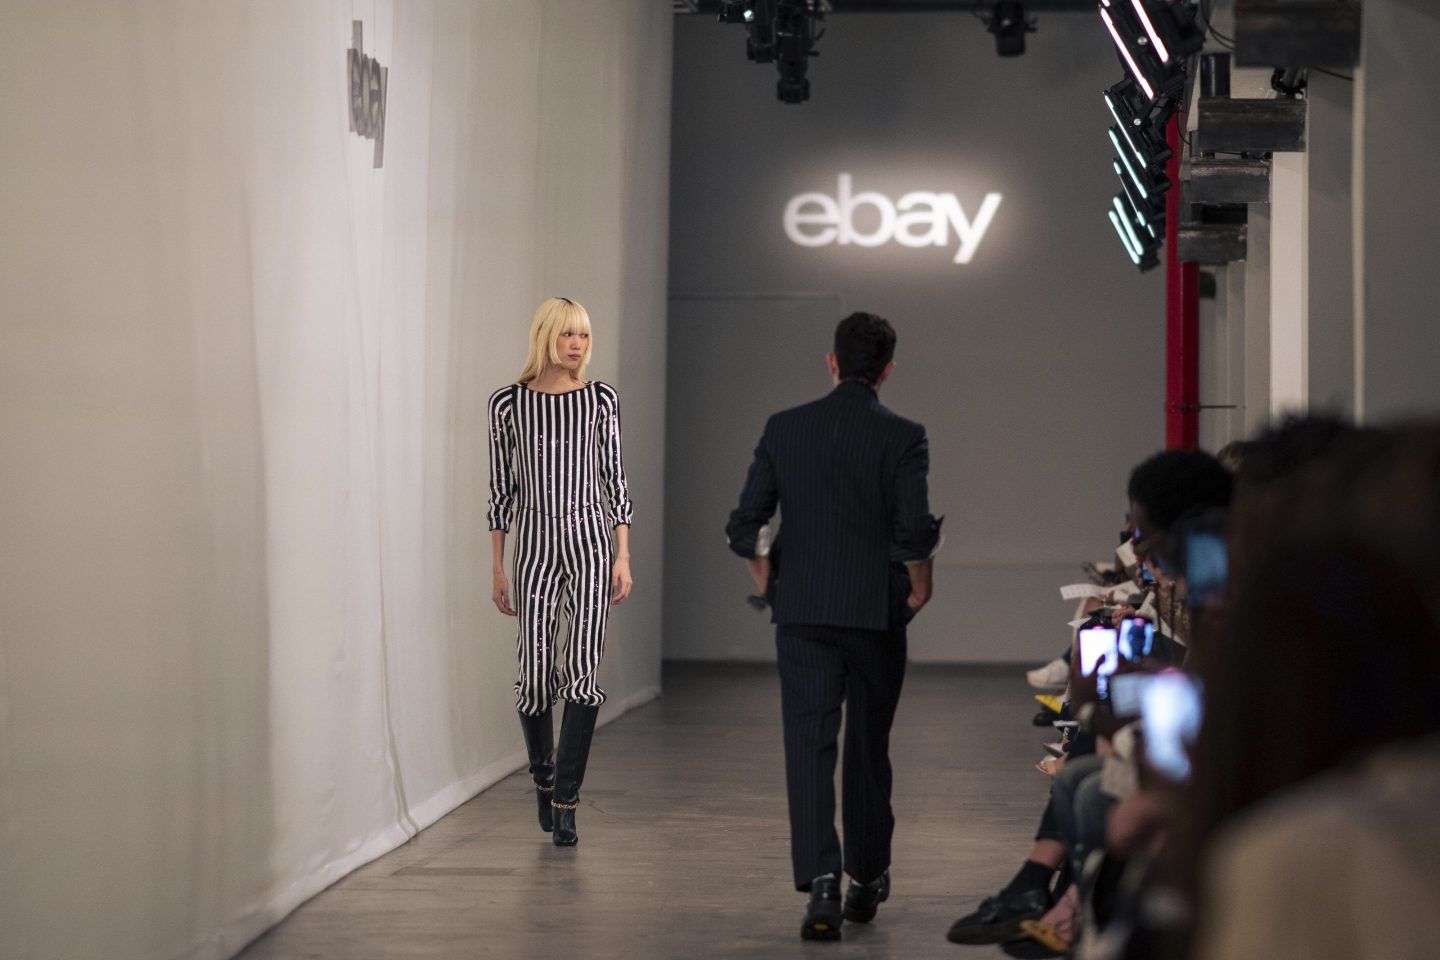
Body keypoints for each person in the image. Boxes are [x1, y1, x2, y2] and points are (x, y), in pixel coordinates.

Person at [726, 312, 942, 941]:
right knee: (868, 748)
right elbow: (912, 530)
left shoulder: (786, 428)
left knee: (809, 744)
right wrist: (921, 587)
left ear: (831, 362)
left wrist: (771, 583)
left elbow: (747, 523)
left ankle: (820, 884)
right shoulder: (904, 435)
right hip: (876, 613)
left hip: (803, 612)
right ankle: (865, 880)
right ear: (888, 369)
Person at [487, 297, 634, 847]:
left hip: (593, 544)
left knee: (583, 673)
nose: (577, 346)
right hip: (535, 548)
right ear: (546, 335)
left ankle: (568, 799)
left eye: (585, 337)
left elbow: (614, 480)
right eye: (568, 334)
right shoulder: (507, 404)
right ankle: (543, 776)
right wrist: (498, 568)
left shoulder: (600, 400)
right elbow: (501, 491)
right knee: (534, 676)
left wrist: (622, 555)